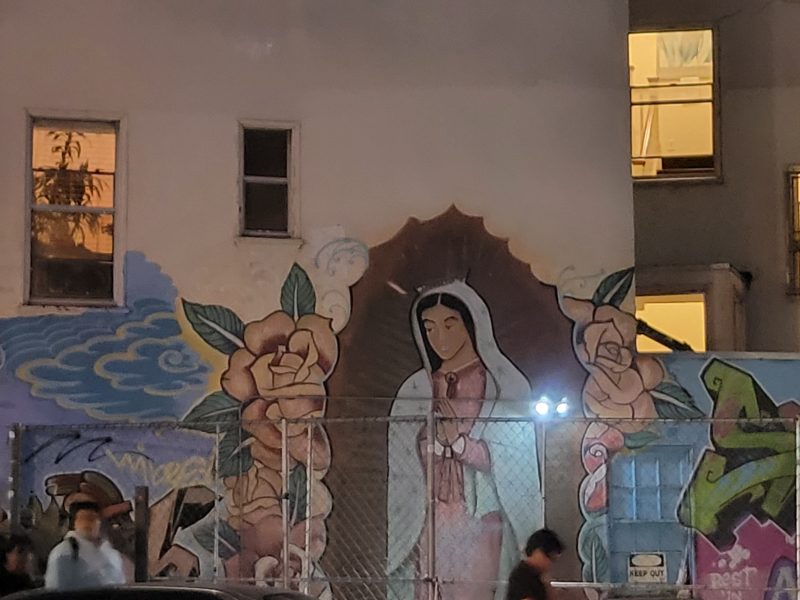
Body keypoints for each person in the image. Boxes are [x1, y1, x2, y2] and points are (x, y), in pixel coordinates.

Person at [387, 281, 543, 600]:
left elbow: (512, 455)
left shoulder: (501, 385)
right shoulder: (416, 389)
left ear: (472, 324)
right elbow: (404, 456)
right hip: (430, 517)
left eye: (450, 325)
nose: (439, 338)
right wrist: (433, 442)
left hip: (480, 516)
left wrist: (458, 442)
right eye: (429, 328)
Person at [44, 501, 126, 590]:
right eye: (83, 519)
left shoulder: (110, 553)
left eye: (92, 519)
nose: (87, 524)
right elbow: (55, 590)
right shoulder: (64, 551)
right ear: (74, 523)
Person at [505, 529, 563, 600]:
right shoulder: (522, 576)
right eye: (551, 557)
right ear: (538, 552)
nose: (550, 564)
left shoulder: (538, 576)